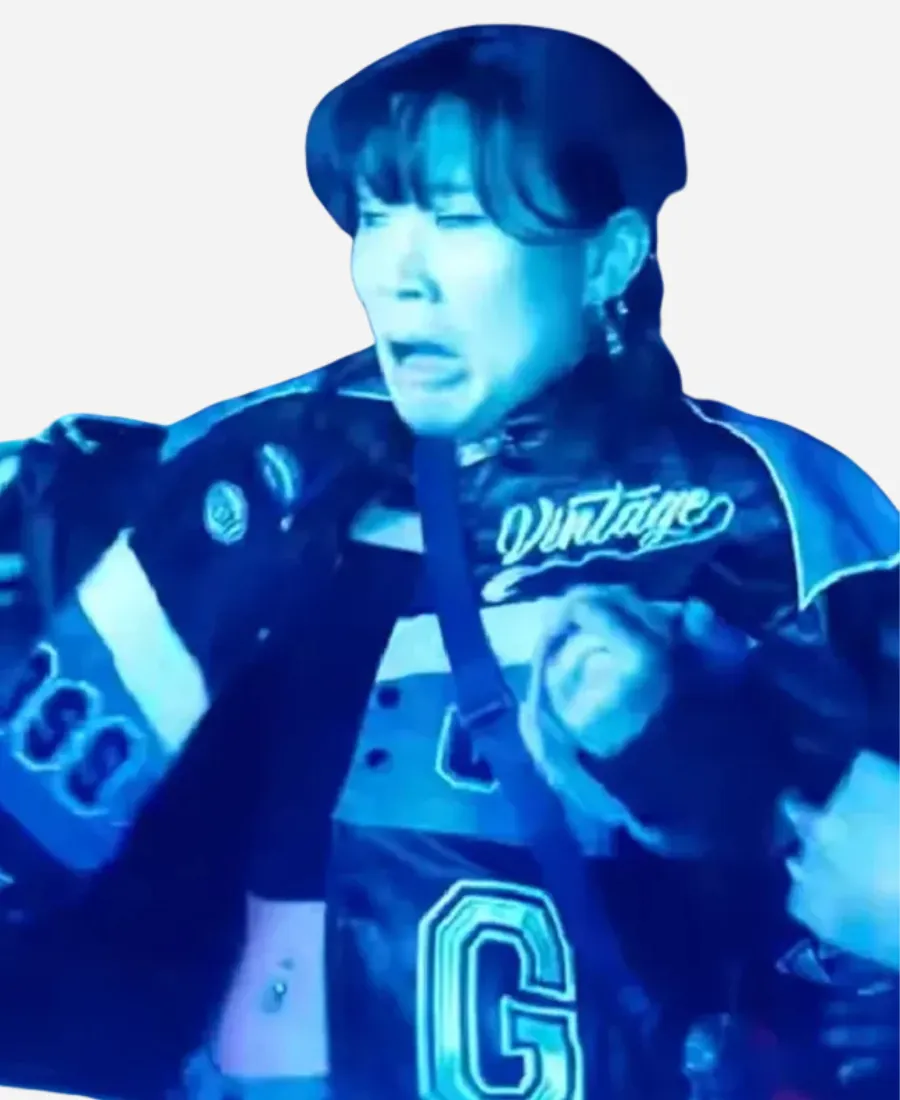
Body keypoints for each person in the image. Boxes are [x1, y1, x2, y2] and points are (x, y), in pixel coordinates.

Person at [178, 22, 898, 1100]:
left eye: (458, 218)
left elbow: (861, 890)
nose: (401, 272)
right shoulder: (254, 466)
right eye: (376, 215)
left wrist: (680, 741)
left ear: (608, 257)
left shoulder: (769, 508)